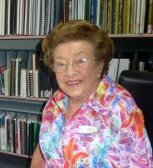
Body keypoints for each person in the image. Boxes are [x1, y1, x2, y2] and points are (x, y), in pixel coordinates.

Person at [30, 20, 153, 167]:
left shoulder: (119, 108)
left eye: (80, 61)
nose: (70, 72)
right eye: (61, 63)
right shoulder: (56, 100)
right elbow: (43, 147)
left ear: (100, 64)